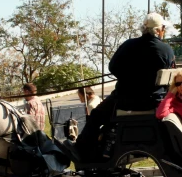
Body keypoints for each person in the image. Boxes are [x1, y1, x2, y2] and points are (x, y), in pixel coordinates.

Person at [74, 13, 174, 153]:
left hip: (126, 100)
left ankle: (81, 148)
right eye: (163, 28)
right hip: (154, 101)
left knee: (96, 114)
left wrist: (128, 78)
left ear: (143, 29)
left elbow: (112, 67)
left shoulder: (128, 45)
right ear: (159, 30)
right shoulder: (166, 50)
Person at [21, 83, 45, 177]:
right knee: (37, 169)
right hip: (40, 136)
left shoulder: (30, 104)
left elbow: (27, 122)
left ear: (26, 91)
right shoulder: (39, 102)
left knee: (21, 163)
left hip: (30, 138)